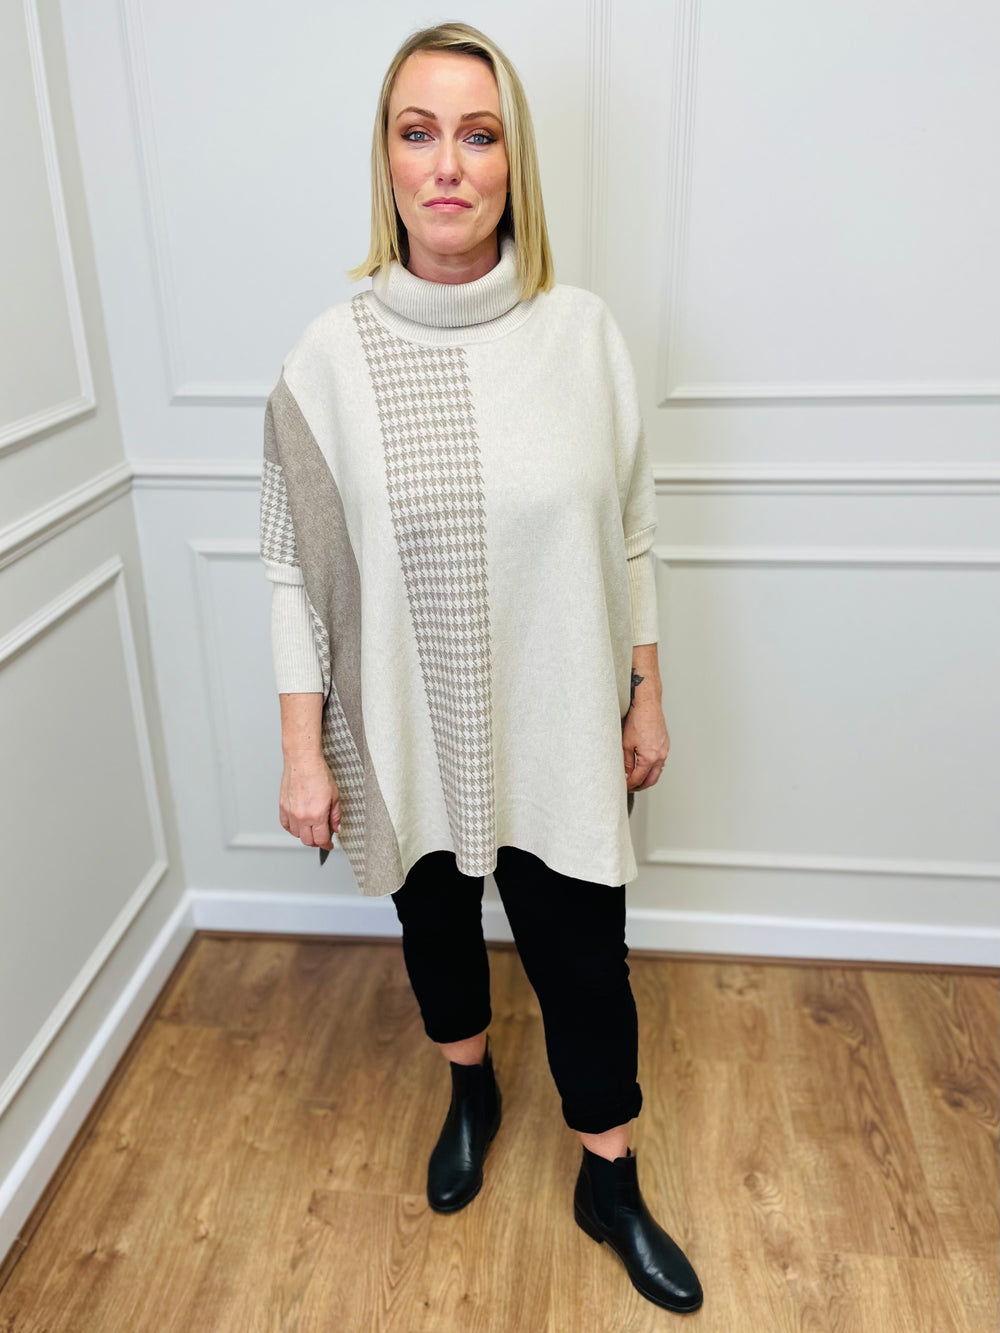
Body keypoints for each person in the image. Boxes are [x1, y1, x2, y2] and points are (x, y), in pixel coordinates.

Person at [258, 21, 703, 1316]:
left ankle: (609, 1178)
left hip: (559, 724)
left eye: (478, 133)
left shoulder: (583, 335)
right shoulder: (326, 362)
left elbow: (632, 532)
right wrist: (301, 751)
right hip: (406, 726)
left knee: (587, 964)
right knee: (439, 936)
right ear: (387, 161)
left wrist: (647, 691)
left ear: (515, 163)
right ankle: (471, 1089)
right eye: (419, 132)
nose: (447, 164)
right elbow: (293, 569)